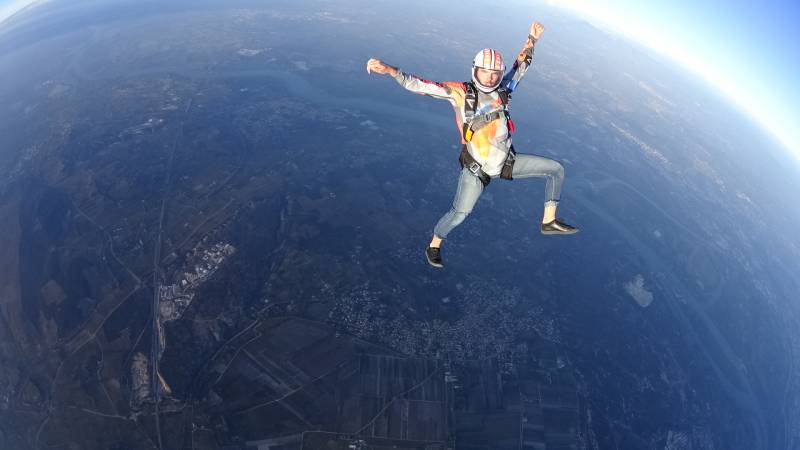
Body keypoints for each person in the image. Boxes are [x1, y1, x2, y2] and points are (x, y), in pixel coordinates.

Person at [367, 21, 578, 268]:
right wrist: (391, 71)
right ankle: (434, 244)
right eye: (485, 72)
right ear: (475, 70)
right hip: (477, 170)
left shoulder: (504, 90)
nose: (490, 77)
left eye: (495, 74)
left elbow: (521, 65)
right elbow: (422, 85)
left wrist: (532, 39)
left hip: (506, 163)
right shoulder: (461, 93)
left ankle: (548, 221)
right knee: (459, 213)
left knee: (556, 169)